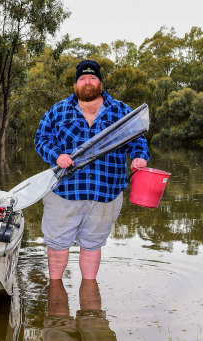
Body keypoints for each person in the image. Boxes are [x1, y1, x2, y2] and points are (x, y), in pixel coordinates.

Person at [34, 59, 149, 280]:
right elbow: (42, 139)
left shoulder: (121, 111)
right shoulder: (57, 111)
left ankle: (90, 305)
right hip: (63, 190)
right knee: (57, 245)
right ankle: (57, 299)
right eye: (82, 78)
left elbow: (138, 140)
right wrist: (57, 156)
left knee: (93, 245)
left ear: (100, 82)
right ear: (76, 84)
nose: (87, 82)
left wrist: (138, 157)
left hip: (106, 192)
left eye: (92, 77)